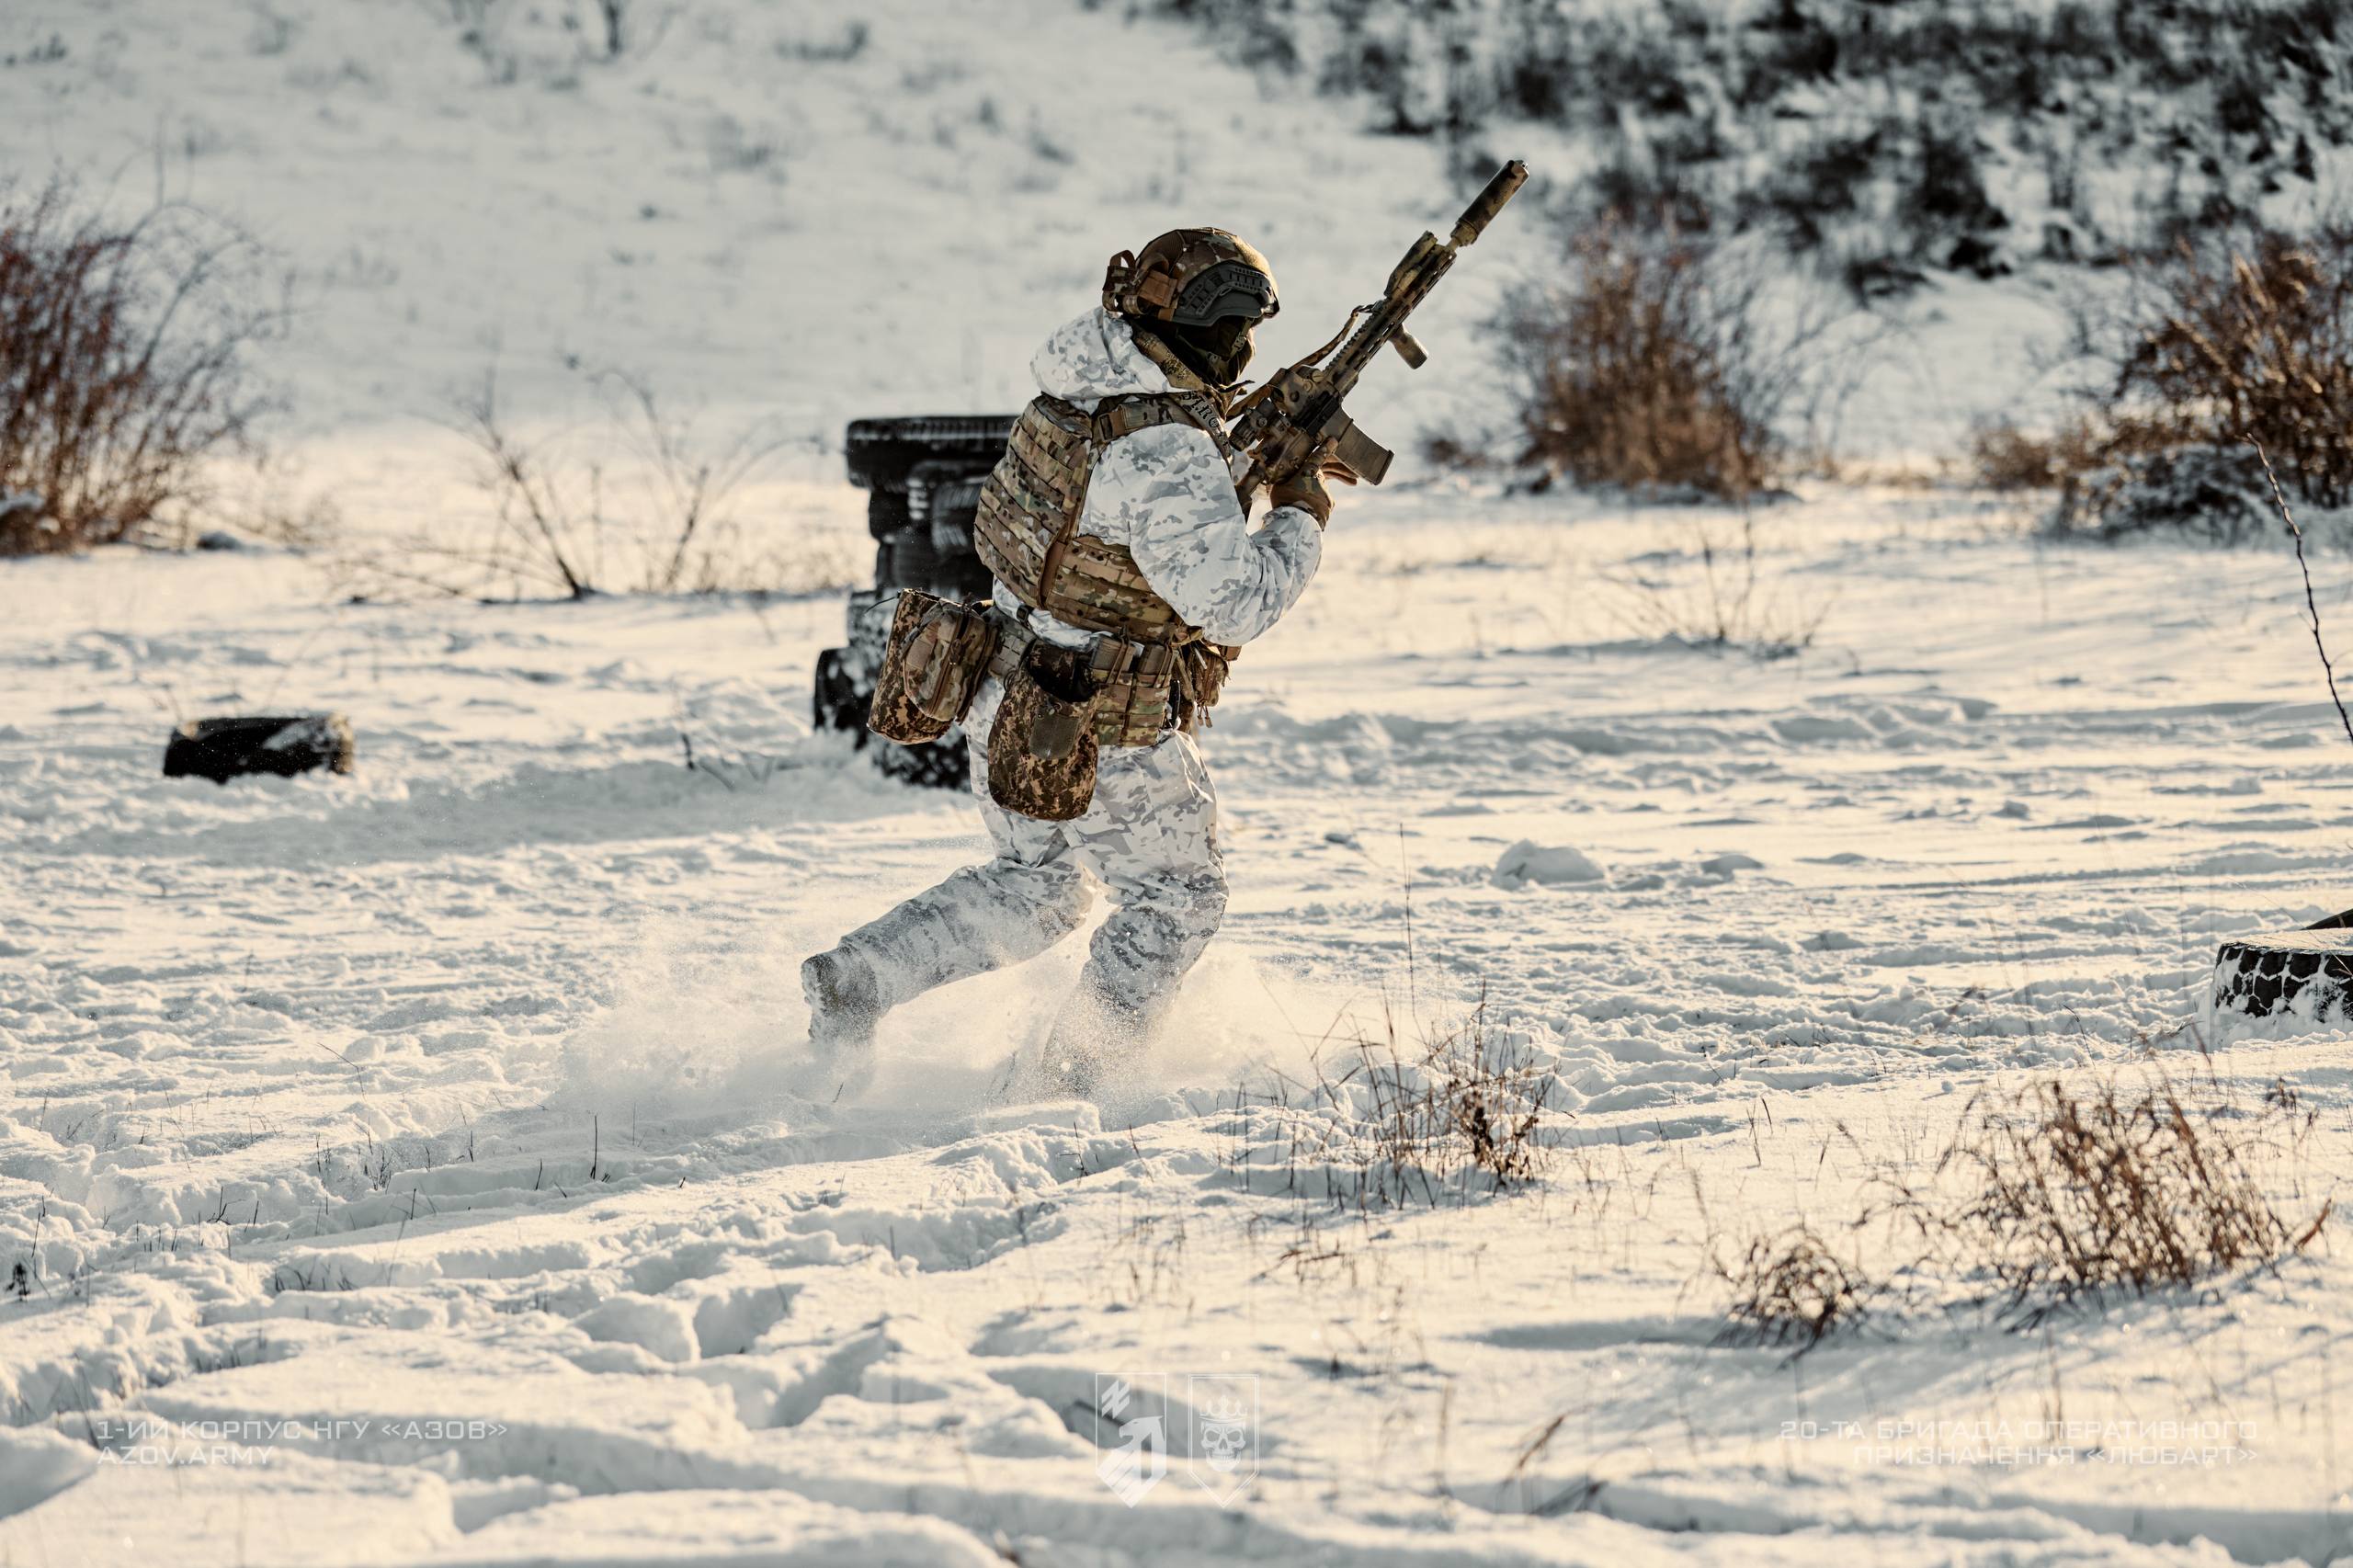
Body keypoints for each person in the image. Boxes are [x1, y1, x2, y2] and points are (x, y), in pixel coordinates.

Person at [796, 228, 1347, 1101]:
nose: (1246, 351)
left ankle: (859, 979)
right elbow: (1235, 601)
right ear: (1208, 330)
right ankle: (1074, 1087)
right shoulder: (1165, 445)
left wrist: (1239, 457)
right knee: (1176, 898)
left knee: (1040, 886)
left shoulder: (1077, 388)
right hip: (1099, 715)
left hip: (1000, 684)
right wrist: (1300, 511)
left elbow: (1112, 522)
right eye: (1238, 331)